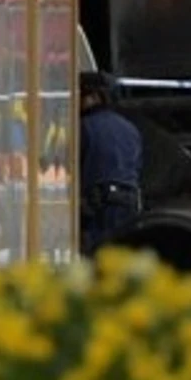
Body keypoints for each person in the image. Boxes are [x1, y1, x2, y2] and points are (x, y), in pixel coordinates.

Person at [79, 72, 144, 256]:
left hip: (99, 208)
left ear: (93, 97)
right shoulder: (130, 128)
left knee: (98, 263)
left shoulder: (83, 127)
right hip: (129, 203)